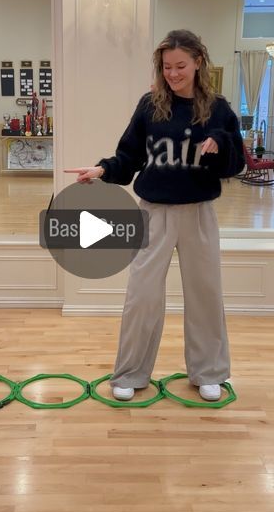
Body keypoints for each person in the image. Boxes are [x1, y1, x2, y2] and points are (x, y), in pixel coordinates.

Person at [66, 29, 245, 402]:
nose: (173, 73)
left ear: (198, 62)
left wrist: (221, 143)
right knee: (142, 296)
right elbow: (128, 157)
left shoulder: (219, 109)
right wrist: (102, 170)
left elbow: (236, 164)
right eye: (167, 67)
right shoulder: (150, 105)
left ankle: (208, 372)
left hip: (198, 213)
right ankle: (131, 373)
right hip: (155, 213)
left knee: (205, 295)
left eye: (181, 66)